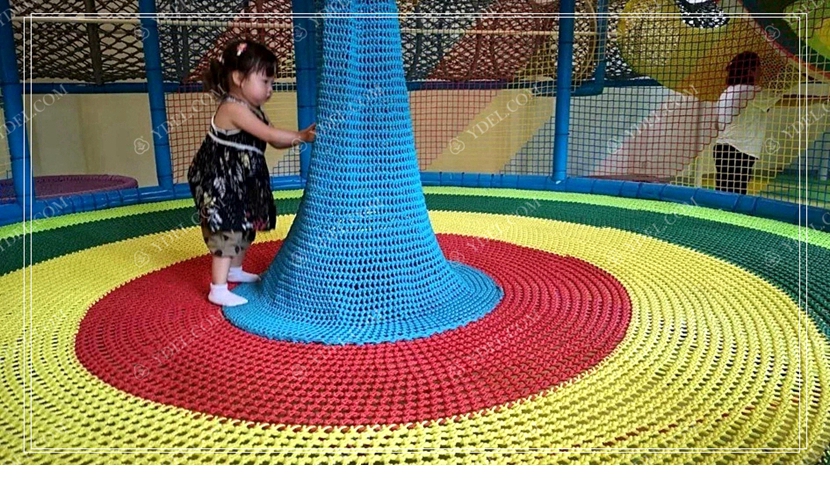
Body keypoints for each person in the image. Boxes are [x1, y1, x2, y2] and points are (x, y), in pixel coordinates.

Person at [188, 39, 316, 307]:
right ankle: (217, 288)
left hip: (241, 179)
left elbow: (276, 141)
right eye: (264, 81)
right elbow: (270, 135)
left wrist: (300, 137)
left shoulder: (254, 110)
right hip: (218, 179)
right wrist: (302, 135)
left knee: (246, 224)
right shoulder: (232, 108)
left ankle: (234, 269)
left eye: (272, 83)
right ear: (238, 78)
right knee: (227, 227)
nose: (270, 89)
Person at [713, 51, 775, 194]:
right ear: (750, 70)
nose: (761, 72)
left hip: (722, 148)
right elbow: (788, 100)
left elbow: (717, 123)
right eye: (759, 67)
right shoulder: (752, 91)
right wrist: (820, 99)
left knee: (722, 192)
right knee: (736, 194)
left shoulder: (726, 92)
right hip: (739, 150)